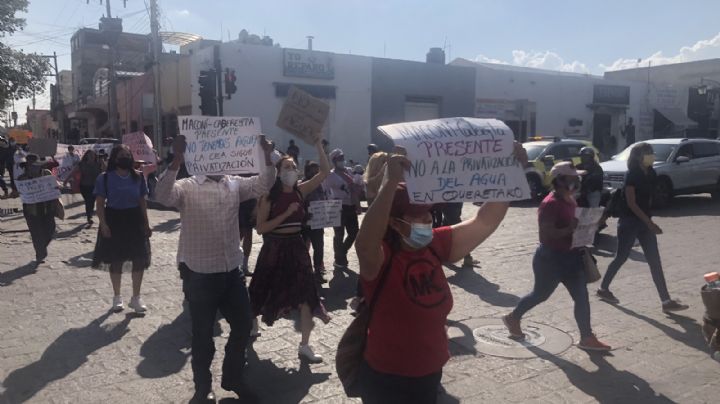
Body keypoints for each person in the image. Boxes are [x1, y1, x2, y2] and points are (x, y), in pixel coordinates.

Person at [353, 145, 525, 404]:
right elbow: (364, 242)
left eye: (428, 213)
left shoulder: (435, 244)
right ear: (393, 221)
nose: (425, 220)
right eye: (415, 215)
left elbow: (485, 221)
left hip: (430, 372)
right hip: (386, 378)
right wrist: (389, 185)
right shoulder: (380, 257)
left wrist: (513, 171)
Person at [155, 135, 276, 403]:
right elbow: (162, 195)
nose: (218, 159)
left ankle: (233, 377)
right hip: (200, 273)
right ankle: (203, 387)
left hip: (232, 270)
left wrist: (267, 156)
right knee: (202, 335)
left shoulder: (233, 184)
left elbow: (264, 182)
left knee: (243, 325)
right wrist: (177, 159)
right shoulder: (187, 186)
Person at [503, 162, 611, 351]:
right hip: (551, 258)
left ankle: (587, 337)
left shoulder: (570, 199)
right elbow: (547, 233)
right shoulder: (550, 204)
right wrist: (571, 228)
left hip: (572, 257)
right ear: (560, 180)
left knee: (582, 297)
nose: (577, 181)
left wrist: (592, 223)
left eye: (577, 178)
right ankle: (513, 317)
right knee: (540, 295)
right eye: (573, 178)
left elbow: (575, 226)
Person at [249, 138, 331, 363]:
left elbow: (325, 171)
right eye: (287, 167)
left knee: (307, 295)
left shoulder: (300, 191)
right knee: (261, 289)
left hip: (296, 248)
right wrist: (285, 215)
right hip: (274, 248)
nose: (292, 170)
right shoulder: (268, 197)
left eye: (294, 167)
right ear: (277, 171)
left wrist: (318, 143)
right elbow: (260, 228)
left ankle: (304, 345)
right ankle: (252, 322)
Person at [596, 143, 688, 312]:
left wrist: (649, 219)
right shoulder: (633, 174)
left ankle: (666, 301)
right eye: (648, 153)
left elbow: (649, 198)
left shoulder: (651, 173)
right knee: (621, 257)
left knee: (655, 261)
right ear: (639, 156)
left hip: (644, 221)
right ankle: (603, 288)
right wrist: (649, 222)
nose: (652, 156)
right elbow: (631, 203)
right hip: (629, 222)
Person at [93, 145, 152, 314]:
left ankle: (136, 298)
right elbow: (99, 204)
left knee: (139, 258)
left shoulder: (139, 177)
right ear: (114, 158)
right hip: (114, 219)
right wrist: (103, 223)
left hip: (134, 219)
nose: (125, 157)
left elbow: (142, 201)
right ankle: (117, 296)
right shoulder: (104, 178)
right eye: (121, 155)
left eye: (128, 154)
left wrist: (146, 223)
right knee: (116, 259)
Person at [17, 154, 58, 267]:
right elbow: (18, 192)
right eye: (29, 165)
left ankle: (42, 247)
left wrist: (57, 188)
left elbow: (54, 186)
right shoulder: (22, 178)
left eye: (34, 165)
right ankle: (40, 253)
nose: (32, 167)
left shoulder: (47, 174)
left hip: (47, 208)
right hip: (31, 210)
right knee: (36, 233)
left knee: (50, 229)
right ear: (27, 166)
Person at [325, 149, 360, 268]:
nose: (342, 160)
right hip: (338, 207)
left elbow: (356, 189)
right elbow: (325, 190)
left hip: (351, 206)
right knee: (339, 234)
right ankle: (339, 259)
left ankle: (342, 252)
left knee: (354, 232)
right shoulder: (330, 175)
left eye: (343, 158)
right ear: (334, 161)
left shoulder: (349, 171)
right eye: (340, 158)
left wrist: (358, 204)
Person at [301, 160, 329, 283]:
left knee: (319, 247)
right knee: (303, 248)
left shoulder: (320, 185)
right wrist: (305, 214)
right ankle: (303, 271)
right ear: (307, 171)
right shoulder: (302, 184)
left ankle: (318, 271)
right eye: (313, 170)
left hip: (318, 222)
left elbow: (323, 199)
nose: (316, 173)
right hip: (305, 223)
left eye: (317, 170)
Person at [67, 150, 103, 227]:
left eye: (93, 155)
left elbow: (106, 170)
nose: (91, 157)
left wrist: (102, 161)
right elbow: (73, 172)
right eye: (89, 155)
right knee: (88, 200)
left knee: (92, 201)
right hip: (84, 186)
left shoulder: (98, 164)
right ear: (86, 156)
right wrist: (66, 180)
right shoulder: (82, 164)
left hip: (95, 186)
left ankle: (89, 215)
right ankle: (89, 216)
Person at [238, 177, 257, 276]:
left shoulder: (252, 167)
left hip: (250, 203)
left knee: (248, 235)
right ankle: (236, 265)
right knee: (237, 236)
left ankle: (244, 266)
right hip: (237, 203)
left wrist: (256, 206)